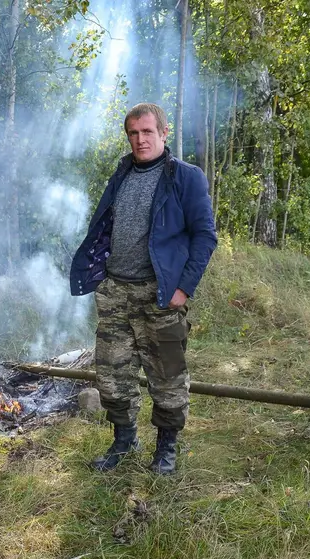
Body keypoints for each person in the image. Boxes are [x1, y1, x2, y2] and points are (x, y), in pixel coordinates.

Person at [70, 103, 217, 475]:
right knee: (112, 376)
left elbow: (204, 237)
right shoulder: (121, 174)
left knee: (167, 378)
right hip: (116, 292)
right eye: (133, 133)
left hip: (161, 295)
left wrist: (183, 288)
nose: (140, 140)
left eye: (147, 132)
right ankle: (124, 441)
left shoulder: (186, 177)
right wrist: (100, 276)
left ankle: (165, 450)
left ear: (164, 134)